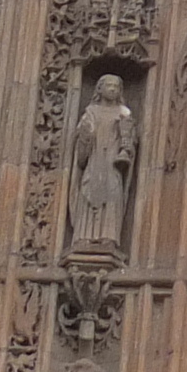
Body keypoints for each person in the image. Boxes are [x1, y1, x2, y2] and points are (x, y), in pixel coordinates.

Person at [65, 74, 137, 261]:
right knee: (89, 193)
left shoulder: (124, 113)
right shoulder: (91, 112)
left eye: (116, 86)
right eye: (109, 85)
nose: (112, 89)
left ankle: (108, 237)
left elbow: (130, 141)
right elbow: (81, 142)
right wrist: (85, 135)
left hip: (112, 163)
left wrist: (127, 141)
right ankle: (84, 236)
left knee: (112, 195)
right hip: (94, 161)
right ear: (99, 89)